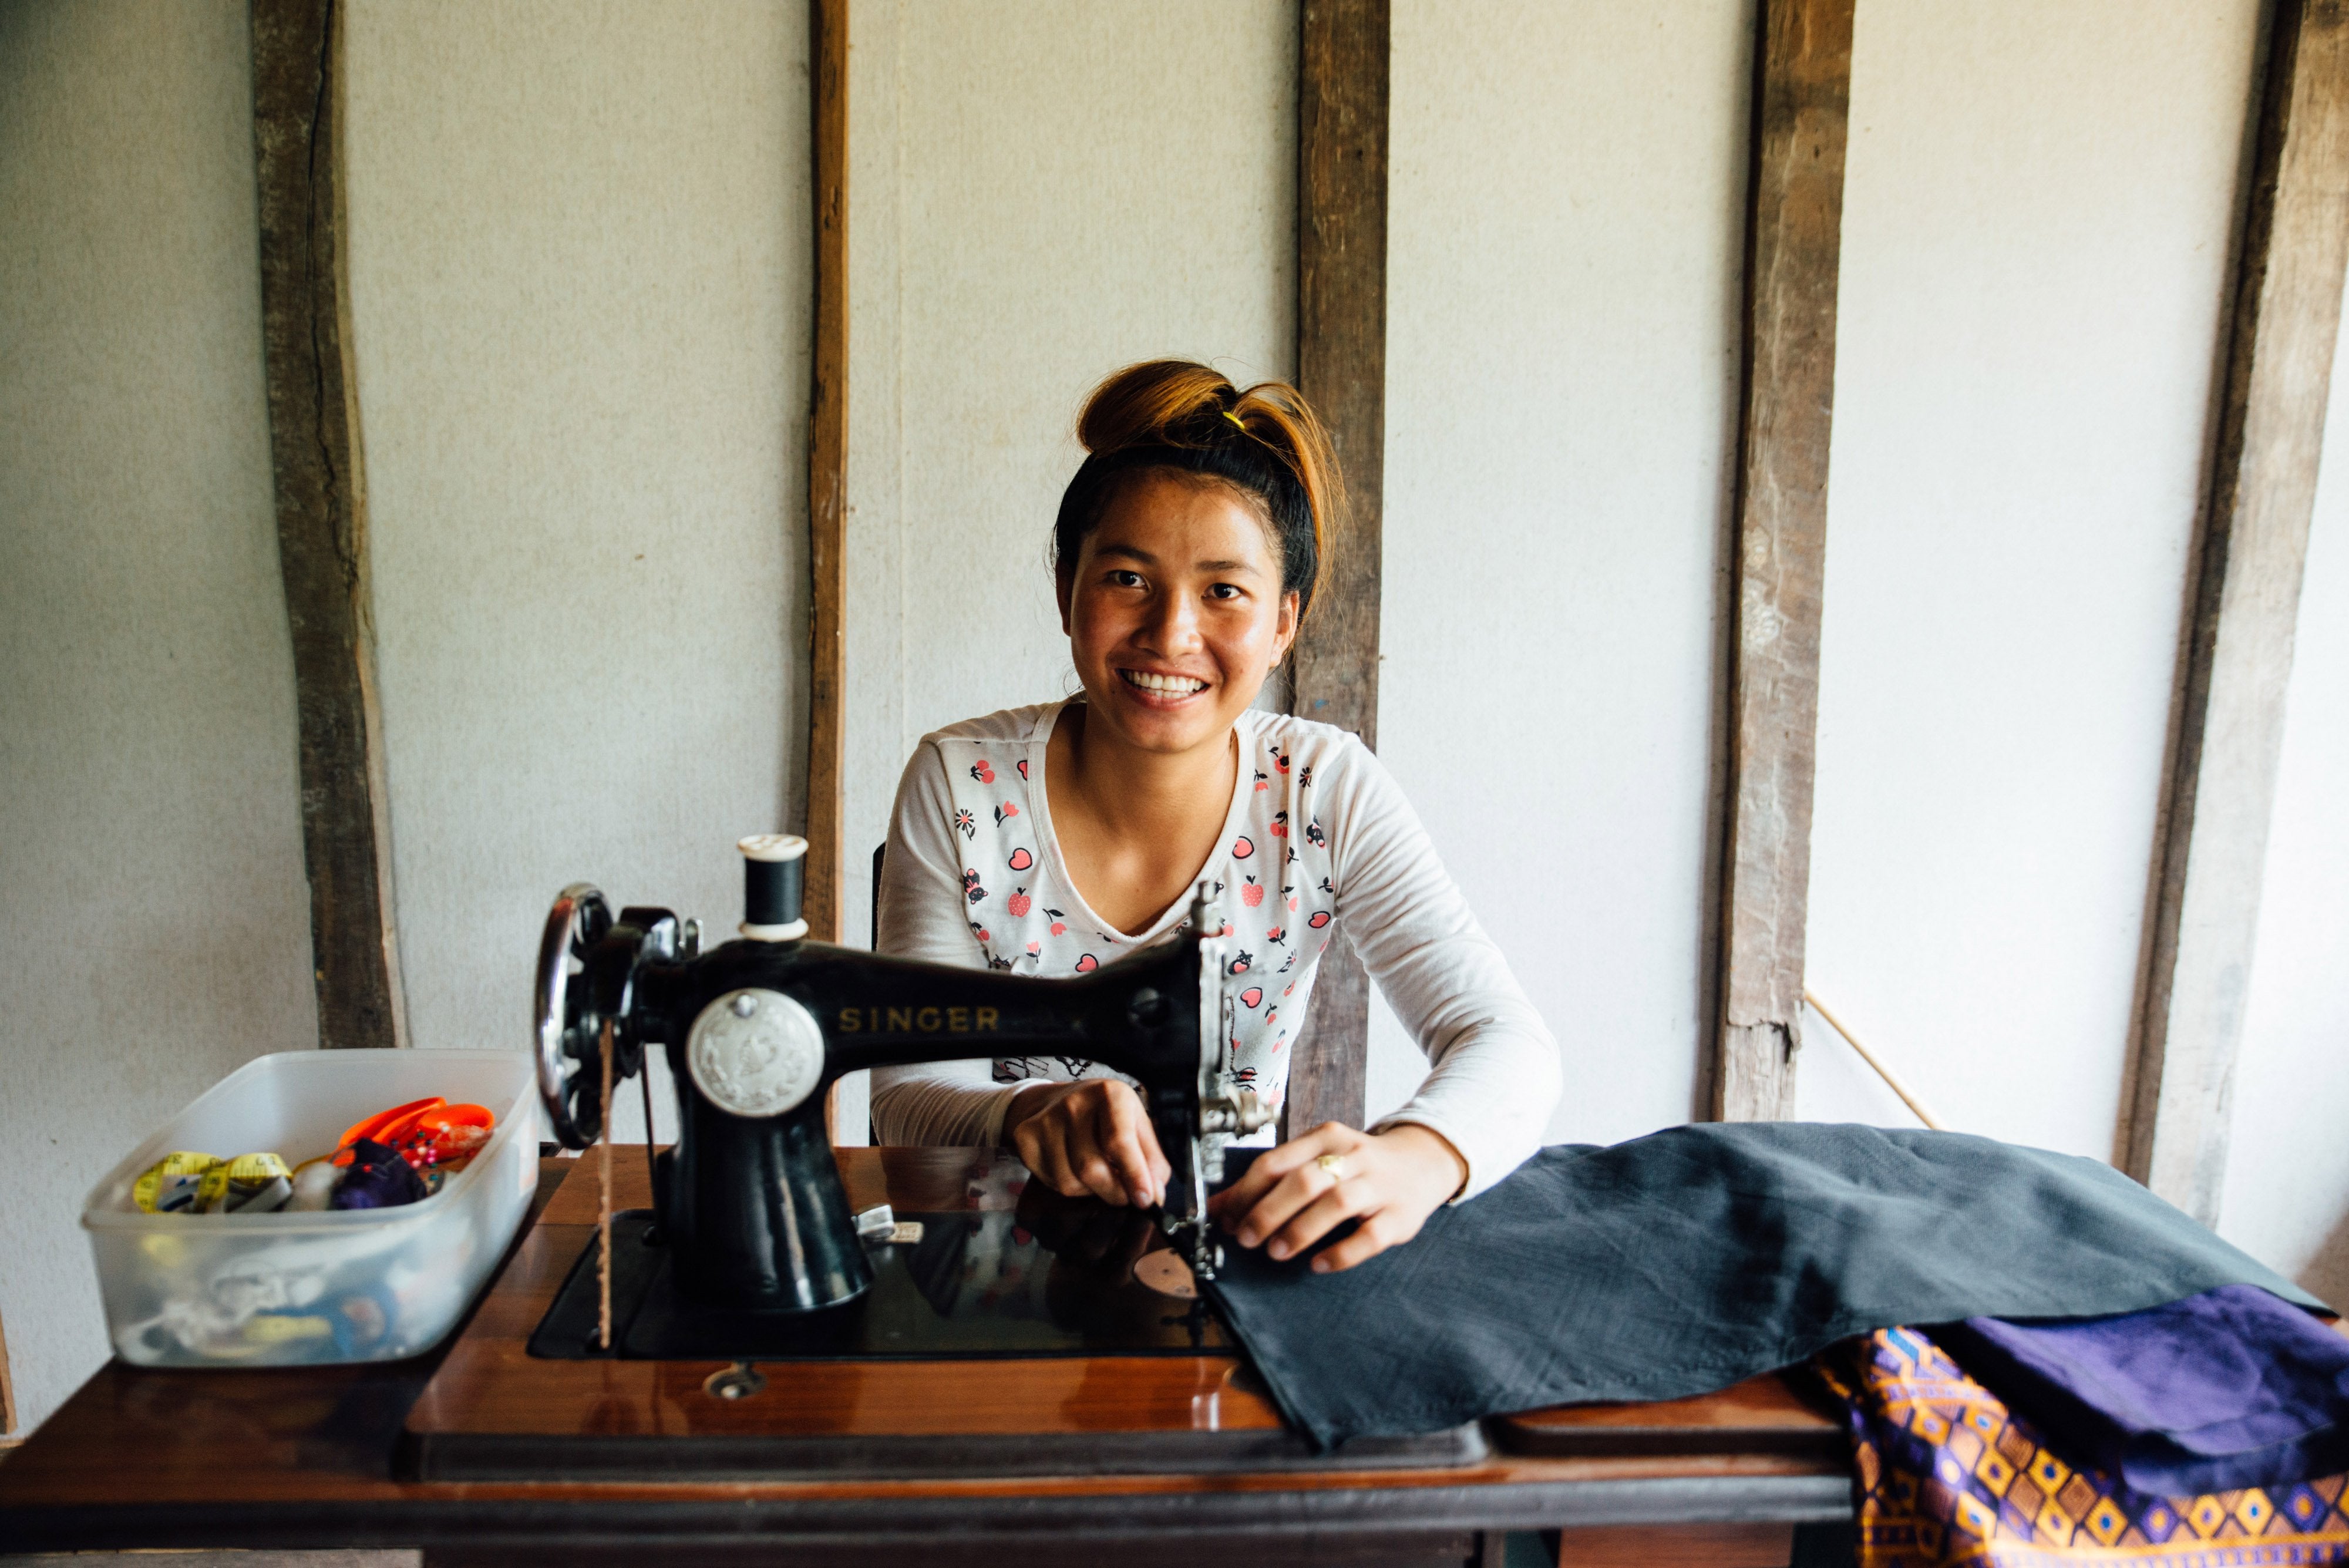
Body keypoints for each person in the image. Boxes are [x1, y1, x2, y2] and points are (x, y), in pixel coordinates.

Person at [872, 360, 1561, 1274]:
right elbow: (908, 1088)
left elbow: (1506, 1039)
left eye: (1223, 591)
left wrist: (1415, 1156)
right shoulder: (961, 785)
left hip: (1217, 1244)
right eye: (1127, 577)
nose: (1171, 634)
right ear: (1064, 589)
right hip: (997, 1255)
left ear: (1284, 622)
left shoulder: (1321, 790)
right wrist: (1022, 1112)